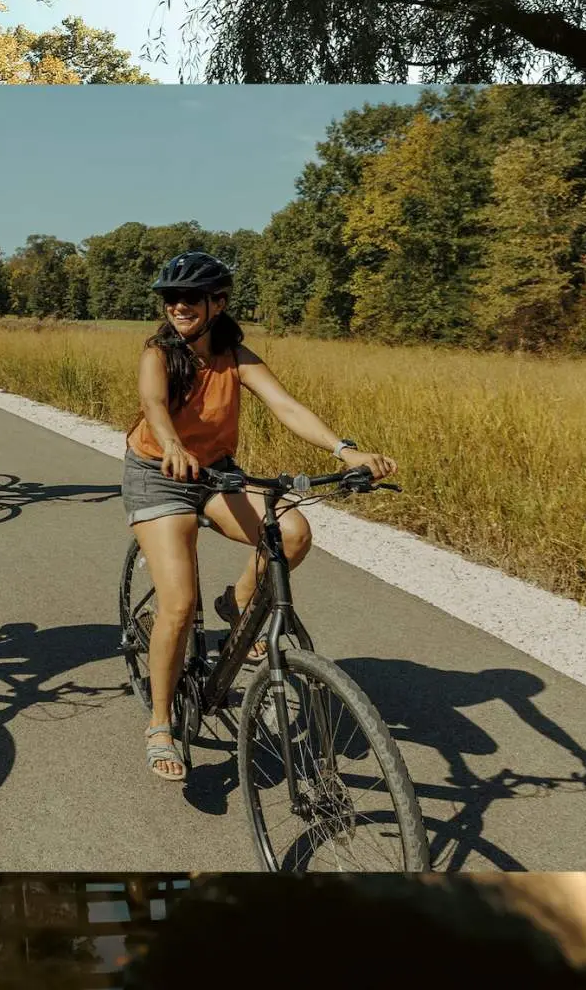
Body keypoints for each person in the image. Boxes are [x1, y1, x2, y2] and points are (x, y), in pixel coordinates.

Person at [122, 251, 397, 781]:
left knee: (291, 531)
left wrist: (347, 451)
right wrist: (175, 446)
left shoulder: (236, 355)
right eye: (170, 298)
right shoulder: (158, 353)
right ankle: (160, 724)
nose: (177, 306)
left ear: (217, 303)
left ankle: (238, 603)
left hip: (217, 473)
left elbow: (287, 406)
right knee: (178, 605)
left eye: (189, 298)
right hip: (159, 473)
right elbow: (153, 404)